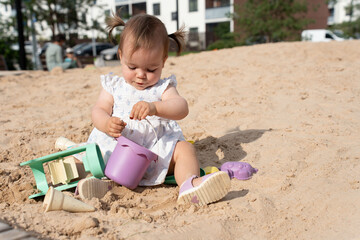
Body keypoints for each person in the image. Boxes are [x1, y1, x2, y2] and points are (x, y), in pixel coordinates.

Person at [84, 13, 231, 205]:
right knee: (89, 155)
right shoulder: (113, 85)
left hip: (155, 155)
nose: (141, 76)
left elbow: (181, 108)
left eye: (151, 69)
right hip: (117, 152)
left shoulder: (163, 87)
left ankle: (189, 185)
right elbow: (99, 110)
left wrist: (155, 107)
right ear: (120, 56)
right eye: (132, 66)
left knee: (185, 149)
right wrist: (106, 123)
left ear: (163, 61)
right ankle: (94, 181)